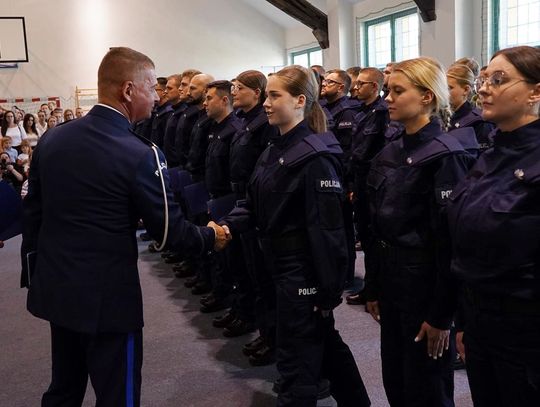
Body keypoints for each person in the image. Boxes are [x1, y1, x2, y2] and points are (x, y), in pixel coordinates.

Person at [20, 47, 228, 407]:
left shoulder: (55, 138)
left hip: (57, 284)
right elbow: (168, 233)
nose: (158, 96)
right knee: (118, 395)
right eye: (152, 87)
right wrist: (211, 236)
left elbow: (33, 216)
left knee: (63, 389)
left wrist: (35, 275)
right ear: (129, 91)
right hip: (108, 297)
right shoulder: (139, 152)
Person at [220, 65, 370, 407]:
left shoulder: (315, 156)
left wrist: (328, 289)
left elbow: (329, 233)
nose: (267, 103)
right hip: (276, 264)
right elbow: (255, 203)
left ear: (300, 100)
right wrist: (227, 227)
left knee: (296, 358)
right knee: (323, 342)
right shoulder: (276, 148)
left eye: (275, 96)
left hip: (301, 271)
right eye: (267, 95)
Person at [364, 57, 475, 407]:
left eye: (398, 91)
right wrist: (373, 286)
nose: (388, 99)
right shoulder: (391, 152)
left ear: (427, 97)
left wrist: (442, 315)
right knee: (395, 379)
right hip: (392, 279)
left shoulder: (445, 156)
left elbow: (451, 245)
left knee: (426, 388)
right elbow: (374, 227)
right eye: (388, 90)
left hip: (424, 285)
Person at [448, 45, 540, 407]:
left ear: (535, 92)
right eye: (483, 79)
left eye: (498, 80)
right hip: (481, 320)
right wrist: (466, 322)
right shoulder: (491, 153)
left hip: (527, 334)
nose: (483, 88)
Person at [345, 67, 390, 306]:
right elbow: (355, 152)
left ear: (374, 87)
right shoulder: (362, 112)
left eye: (361, 84)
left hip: (374, 184)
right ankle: (371, 287)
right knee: (365, 234)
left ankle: (376, 289)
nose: (355, 87)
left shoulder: (383, 112)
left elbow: (381, 152)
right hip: (361, 182)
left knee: (373, 240)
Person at [447, 63, 495, 153]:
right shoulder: (443, 118)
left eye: (449, 88)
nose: (444, 93)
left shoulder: (479, 122)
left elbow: (484, 159)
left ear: (466, 90)